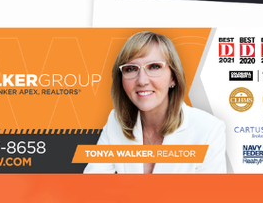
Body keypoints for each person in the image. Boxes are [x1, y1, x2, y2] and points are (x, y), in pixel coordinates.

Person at [84, 32, 227, 175]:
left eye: (154, 67)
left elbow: (209, 196)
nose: (142, 81)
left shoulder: (209, 129)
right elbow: (91, 187)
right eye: (131, 69)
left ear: (173, 78)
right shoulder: (116, 121)